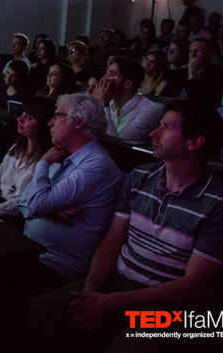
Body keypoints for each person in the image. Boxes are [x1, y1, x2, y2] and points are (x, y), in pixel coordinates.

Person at [29, 99, 223, 353]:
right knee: (41, 311)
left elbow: (191, 287)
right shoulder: (141, 177)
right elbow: (112, 242)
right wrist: (89, 295)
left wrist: (112, 303)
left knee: (126, 347)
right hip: (119, 282)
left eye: (166, 128)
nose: (154, 133)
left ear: (194, 142)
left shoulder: (216, 202)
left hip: (171, 305)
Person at [19, 93, 121, 281]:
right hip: (33, 254)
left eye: (57, 115)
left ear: (78, 121)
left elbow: (35, 205)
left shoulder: (96, 166)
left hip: (58, 268)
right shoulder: (62, 155)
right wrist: (48, 210)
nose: (50, 123)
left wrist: (43, 163)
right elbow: (23, 202)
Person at [0, 97, 55, 221]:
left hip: (15, 218)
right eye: (22, 114)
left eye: (29, 117)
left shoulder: (47, 160)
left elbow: (25, 201)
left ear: (44, 124)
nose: (20, 119)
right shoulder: (15, 149)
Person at [95, 56, 162, 144]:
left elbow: (115, 143)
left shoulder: (149, 112)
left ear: (127, 84)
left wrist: (103, 104)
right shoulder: (110, 103)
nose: (104, 78)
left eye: (112, 74)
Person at [181, 38, 223, 105]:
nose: (193, 55)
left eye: (198, 51)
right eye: (190, 51)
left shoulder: (217, 74)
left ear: (210, 55)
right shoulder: (181, 72)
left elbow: (199, 101)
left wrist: (192, 73)